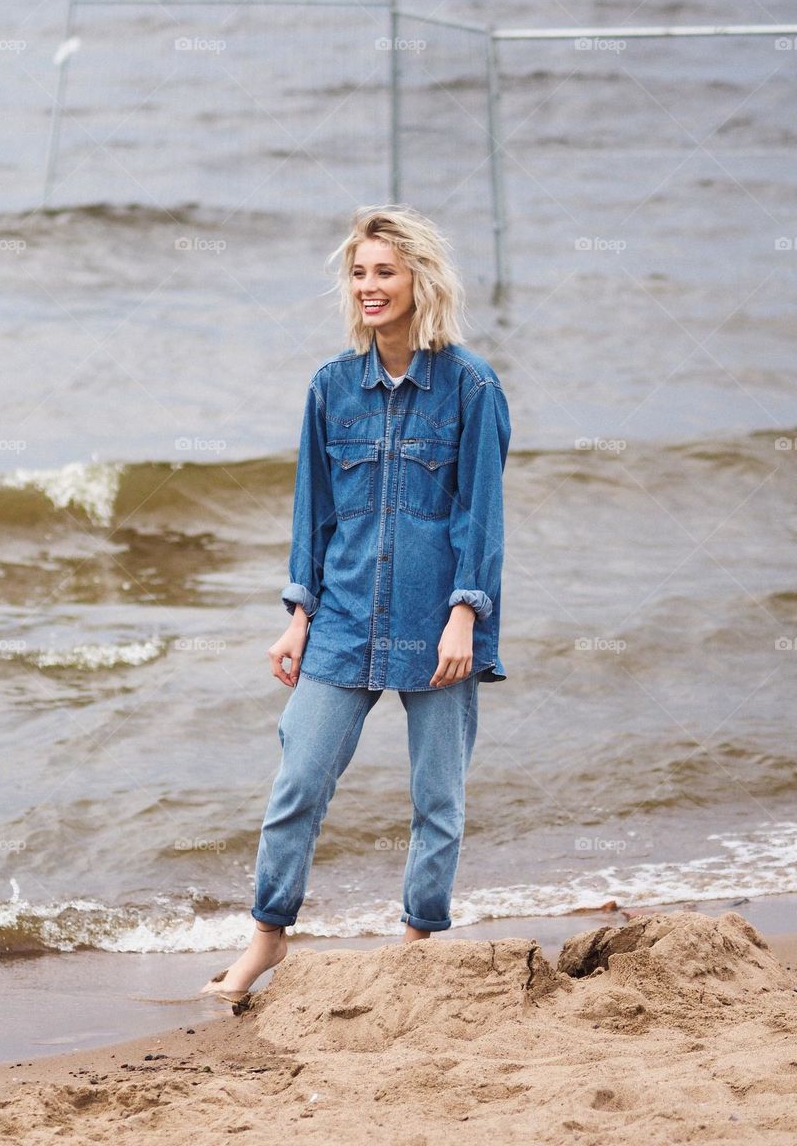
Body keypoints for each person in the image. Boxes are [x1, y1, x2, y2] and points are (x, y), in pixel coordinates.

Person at [203, 205, 511, 1010]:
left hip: (437, 622)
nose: (369, 286)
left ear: (420, 280)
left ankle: (417, 943)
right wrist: (298, 613)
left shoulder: (472, 386)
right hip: (340, 619)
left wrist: (466, 613)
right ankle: (266, 937)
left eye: (385, 271)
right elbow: (315, 513)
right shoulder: (330, 387)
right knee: (298, 779)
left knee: (435, 796)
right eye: (359, 272)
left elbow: (480, 515)